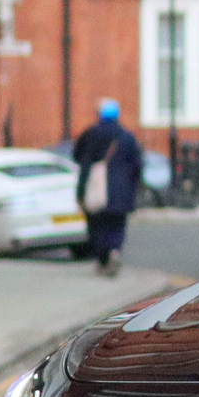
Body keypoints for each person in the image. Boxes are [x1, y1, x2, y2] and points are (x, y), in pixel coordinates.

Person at [72, 100, 143, 277]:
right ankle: (114, 251)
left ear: (99, 115)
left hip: (96, 190)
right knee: (117, 225)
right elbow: (138, 165)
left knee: (96, 226)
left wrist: (80, 191)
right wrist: (133, 189)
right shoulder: (127, 136)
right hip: (122, 193)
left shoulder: (91, 134)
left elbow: (81, 160)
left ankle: (103, 257)